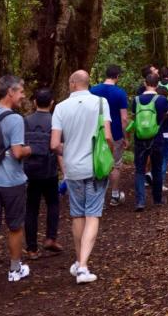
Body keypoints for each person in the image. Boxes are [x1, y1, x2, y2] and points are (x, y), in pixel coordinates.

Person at [51, 70, 113, 284]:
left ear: (72, 83)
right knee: (93, 215)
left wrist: (67, 151)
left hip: (73, 169)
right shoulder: (100, 103)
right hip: (95, 167)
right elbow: (107, 136)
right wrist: (110, 152)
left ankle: (79, 262)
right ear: (87, 83)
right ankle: (83, 267)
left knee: (77, 214)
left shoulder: (60, 107)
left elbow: (54, 144)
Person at [0, 75, 32, 282]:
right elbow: (17, 152)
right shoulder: (15, 119)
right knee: (15, 225)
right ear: (10, 92)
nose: (23, 96)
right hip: (12, 181)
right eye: (21, 92)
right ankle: (15, 269)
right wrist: (29, 149)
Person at [23, 88, 63, 260]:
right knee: (53, 204)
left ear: (34, 102)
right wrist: (64, 170)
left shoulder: (25, 121)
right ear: (52, 103)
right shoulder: (55, 121)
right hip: (49, 170)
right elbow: (58, 147)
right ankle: (51, 238)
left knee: (31, 208)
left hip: (30, 170)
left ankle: (31, 248)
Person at [91, 65, 129, 206]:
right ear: (117, 76)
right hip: (115, 133)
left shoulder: (93, 90)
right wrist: (126, 137)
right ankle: (114, 195)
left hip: (96, 133)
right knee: (115, 165)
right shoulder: (120, 93)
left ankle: (97, 196)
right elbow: (124, 118)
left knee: (97, 162)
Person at [131, 73, 168, 210]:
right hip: (157, 137)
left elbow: (134, 117)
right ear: (158, 84)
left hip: (140, 138)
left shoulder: (136, 100)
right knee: (157, 169)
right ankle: (157, 199)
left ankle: (140, 202)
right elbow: (165, 115)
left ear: (145, 83)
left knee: (140, 170)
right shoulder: (162, 100)